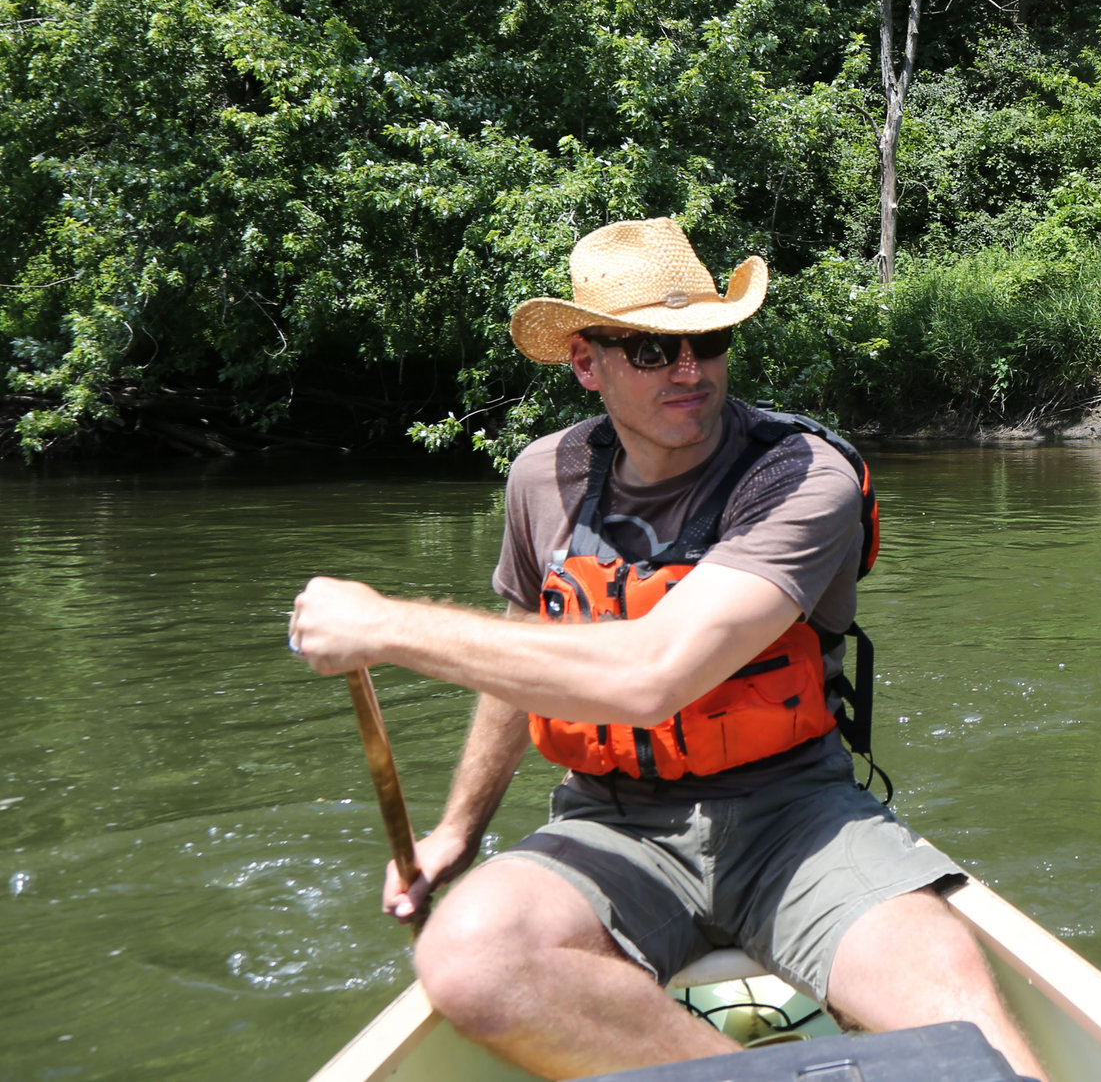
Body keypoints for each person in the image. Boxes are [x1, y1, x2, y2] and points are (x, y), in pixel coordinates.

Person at [288, 218, 1045, 1080]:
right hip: (610, 821)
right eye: (652, 350)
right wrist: (458, 833)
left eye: (708, 341)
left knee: (962, 1018)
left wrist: (387, 625)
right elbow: (523, 654)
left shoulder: (801, 475)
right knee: (471, 960)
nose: (690, 370)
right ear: (586, 362)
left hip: (795, 815)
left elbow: (652, 674)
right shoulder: (542, 476)